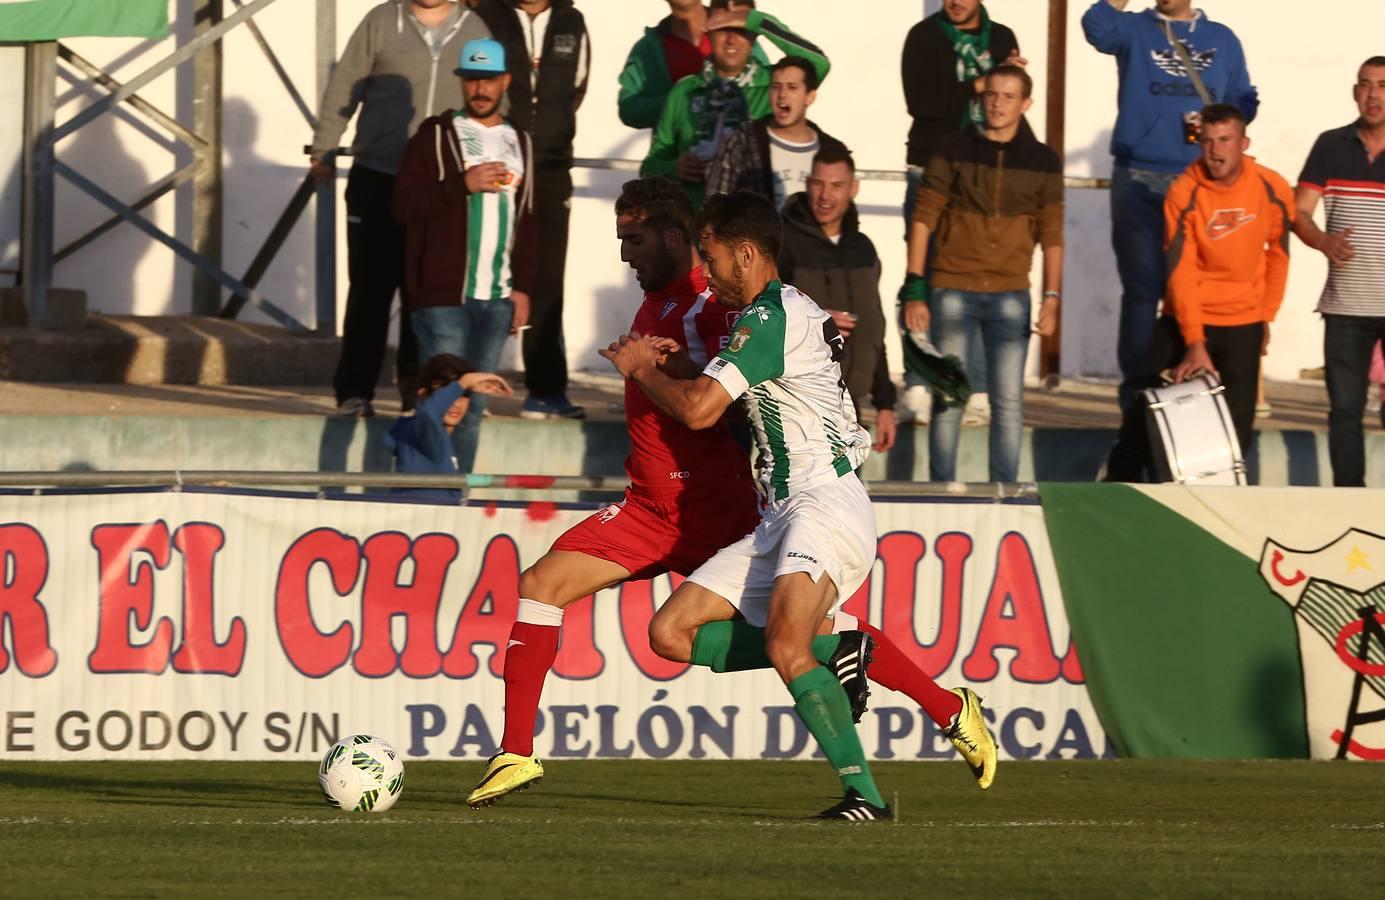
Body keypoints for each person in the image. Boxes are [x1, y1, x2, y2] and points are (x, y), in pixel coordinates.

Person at [468, 179, 996, 811]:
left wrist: (646, 369)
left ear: (723, 250)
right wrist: (674, 364)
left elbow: (706, 405)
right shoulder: (703, 309)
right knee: (627, 618)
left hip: (752, 506)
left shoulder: (737, 308)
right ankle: (516, 752)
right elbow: (735, 367)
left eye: (636, 240)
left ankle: (869, 788)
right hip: (664, 507)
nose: (626, 256)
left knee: (790, 639)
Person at [309, 0, 492, 418]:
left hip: (439, 184)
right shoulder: (381, 20)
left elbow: (491, 96)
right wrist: (325, 145)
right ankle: (355, 393)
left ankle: (419, 397)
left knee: (424, 298)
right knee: (370, 291)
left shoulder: (475, 28)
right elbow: (345, 83)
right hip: (377, 174)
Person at [1082, 0, 1259, 415]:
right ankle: (1138, 401)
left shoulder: (1222, 39)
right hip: (1139, 178)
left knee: (1198, 291)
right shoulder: (1134, 29)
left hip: (1200, 180)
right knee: (1143, 293)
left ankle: (1195, 390)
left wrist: (1223, 123)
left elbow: (1242, 97)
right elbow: (1096, 25)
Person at [1105, 103, 1294, 481]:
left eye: (1224, 140)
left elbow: (1280, 255)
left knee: (1238, 426)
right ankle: (1119, 485)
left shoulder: (1271, 186)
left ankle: (1224, 501)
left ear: (1243, 142)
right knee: (1143, 397)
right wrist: (1194, 341)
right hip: (1186, 315)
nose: (1215, 150)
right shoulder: (1184, 191)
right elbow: (1181, 270)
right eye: (1207, 141)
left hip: (1244, 320)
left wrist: (1265, 316)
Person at [901, 65, 1063, 483]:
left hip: (1012, 294)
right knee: (950, 396)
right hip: (953, 288)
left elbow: (1054, 235)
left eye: (1008, 97)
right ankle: (940, 490)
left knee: (1009, 403)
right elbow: (923, 220)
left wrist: (1052, 298)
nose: (997, 104)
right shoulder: (952, 148)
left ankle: (1004, 496)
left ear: (1026, 104)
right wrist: (915, 287)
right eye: (991, 94)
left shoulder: (1043, 161)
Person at [392, 38, 538, 475]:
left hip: (496, 298)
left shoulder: (521, 141)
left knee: (473, 409)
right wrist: (462, 183)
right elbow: (403, 206)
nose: (480, 88)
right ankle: (422, 498)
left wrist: (525, 287)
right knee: (440, 404)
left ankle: (457, 502)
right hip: (441, 298)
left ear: (505, 81)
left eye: (488, 79)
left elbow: (530, 221)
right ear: (461, 82)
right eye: (472, 79)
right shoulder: (435, 135)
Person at [897, 0, 1024, 425]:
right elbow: (923, 104)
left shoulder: (1002, 37)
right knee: (922, 277)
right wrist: (980, 84)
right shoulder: (924, 36)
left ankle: (979, 387)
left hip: (983, 173)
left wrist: (1005, 87)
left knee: (977, 279)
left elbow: (1011, 102)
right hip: (930, 168)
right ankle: (917, 382)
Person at [474, 0, 590, 420]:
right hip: (498, 159)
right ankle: (470, 386)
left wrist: (549, 132)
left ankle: (545, 390)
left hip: (553, 166)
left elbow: (576, 89)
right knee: (482, 268)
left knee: (547, 278)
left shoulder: (571, 21)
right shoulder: (489, 15)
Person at [1293, 57, 1385, 487]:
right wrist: (1322, 241)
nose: (1374, 95)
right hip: (1345, 307)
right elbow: (1299, 214)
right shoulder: (1330, 145)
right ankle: (1350, 502)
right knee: (1344, 411)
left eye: (1383, 85)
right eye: (1366, 85)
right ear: (1355, 92)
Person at [641, 2, 828, 209]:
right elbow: (648, 168)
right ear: (708, 30)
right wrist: (674, 168)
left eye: (740, 30)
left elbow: (818, 64)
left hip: (757, 225)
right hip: (696, 228)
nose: (731, 39)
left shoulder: (775, 85)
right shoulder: (684, 91)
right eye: (722, 28)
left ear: (754, 36)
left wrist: (758, 21)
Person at [779, 144, 896, 451]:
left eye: (836, 186)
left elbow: (873, 326)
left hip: (851, 407)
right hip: (798, 403)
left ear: (853, 189)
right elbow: (757, 311)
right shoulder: (783, 243)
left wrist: (885, 403)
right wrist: (813, 320)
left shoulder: (864, 248)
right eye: (818, 184)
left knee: (848, 498)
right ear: (807, 185)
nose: (825, 196)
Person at [706, 55, 838, 211]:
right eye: (776, 86)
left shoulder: (831, 151)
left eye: (792, 87)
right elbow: (715, 209)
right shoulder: (741, 142)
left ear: (809, 97)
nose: (782, 94)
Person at [617, 1, 768, 130]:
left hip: (742, 154)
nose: (730, 38)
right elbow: (629, 109)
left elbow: (771, 89)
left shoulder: (737, 35)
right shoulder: (649, 47)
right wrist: (680, 102)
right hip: (680, 160)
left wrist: (762, 22)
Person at [385, 354, 515, 503]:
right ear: (423, 396)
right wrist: (464, 383)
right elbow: (429, 415)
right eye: (447, 394)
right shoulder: (427, 435)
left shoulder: (413, 432)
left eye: (464, 394)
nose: (456, 403)